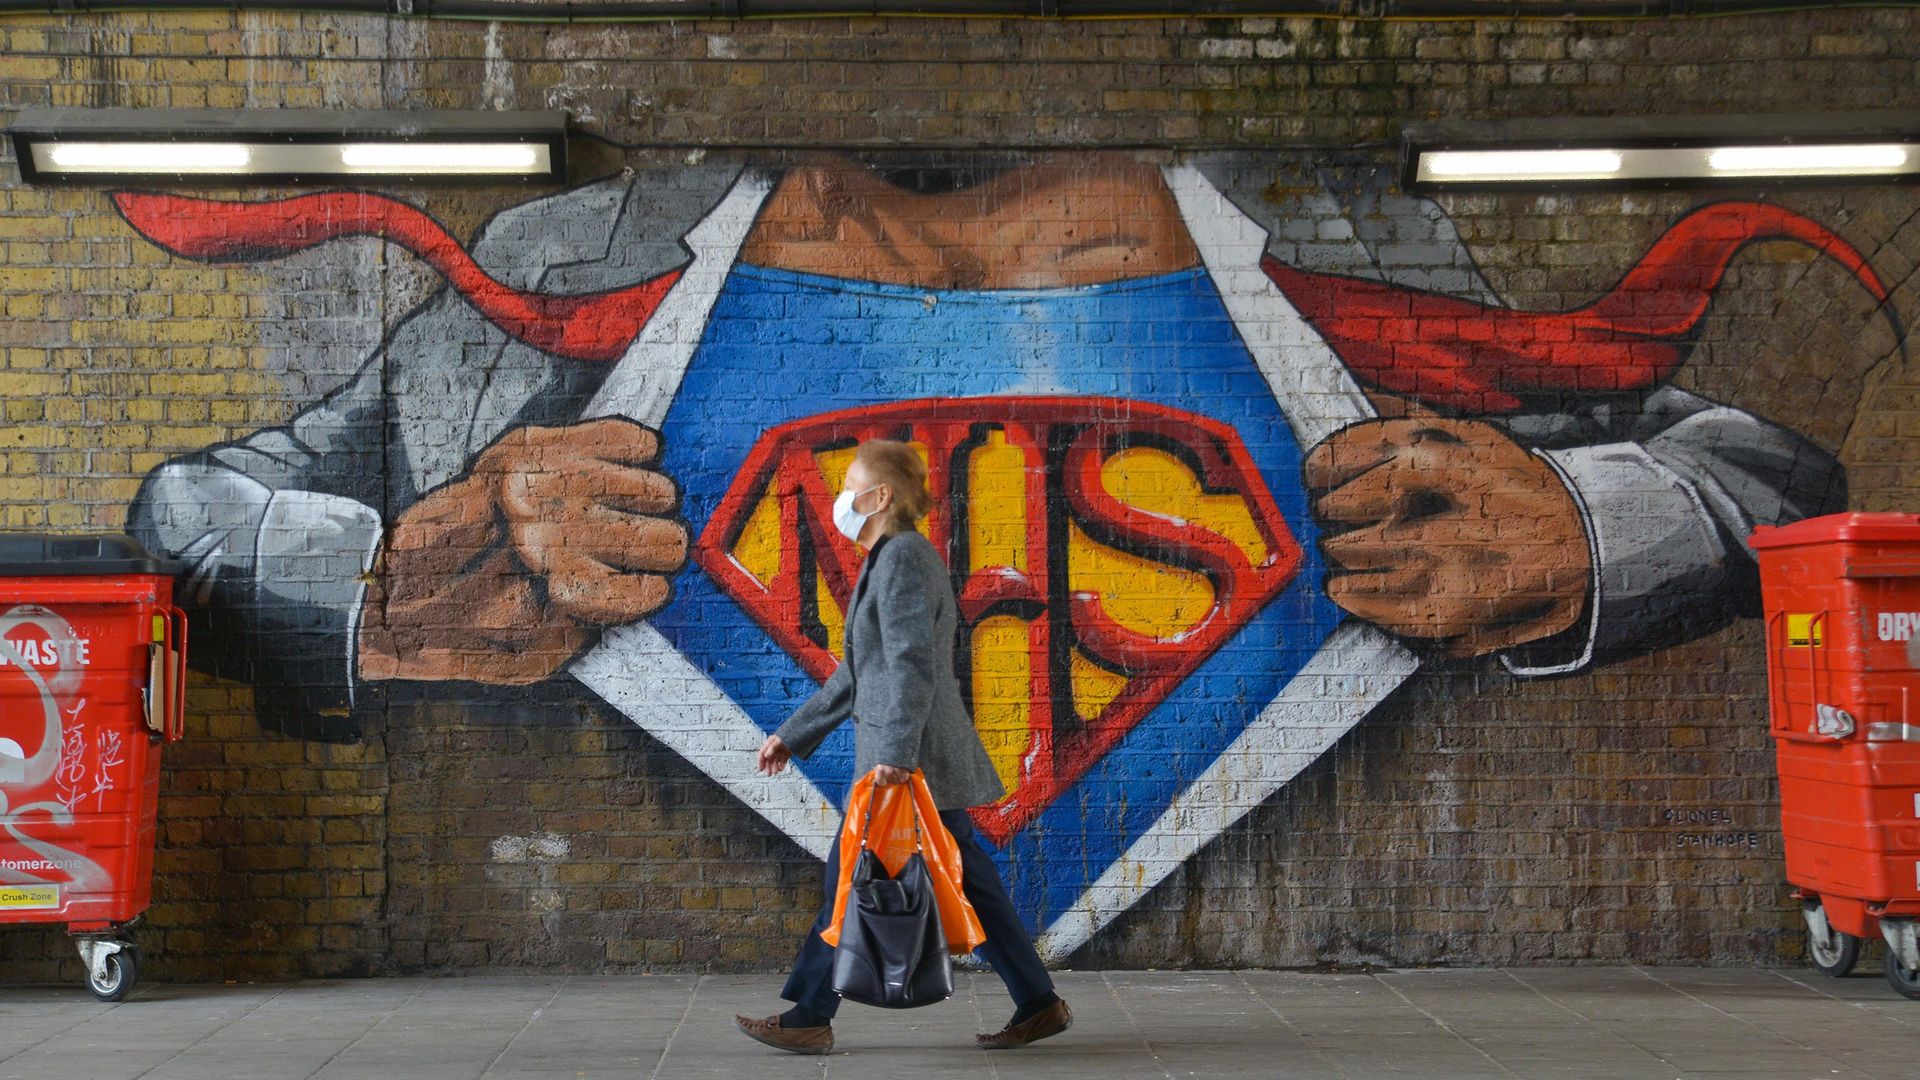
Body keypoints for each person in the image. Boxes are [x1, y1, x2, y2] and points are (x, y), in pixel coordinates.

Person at [734, 439, 1071, 1055]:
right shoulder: (887, 558)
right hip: (912, 758)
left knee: (850, 878)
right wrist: (794, 732)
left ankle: (810, 1014)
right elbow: (859, 671)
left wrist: (894, 749)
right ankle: (1039, 1002)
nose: (843, 497)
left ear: (880, 496)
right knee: (966, 881)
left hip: (909, 761)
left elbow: (913, 663)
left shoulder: (904, 559)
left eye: (852, 483)